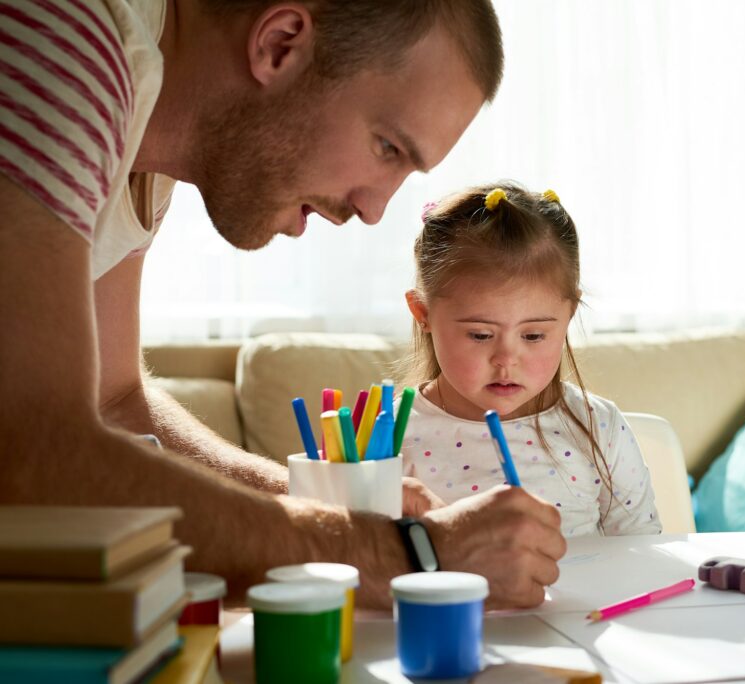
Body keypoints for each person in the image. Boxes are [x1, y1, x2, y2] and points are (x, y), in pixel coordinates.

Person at [0, 0, 565, 609]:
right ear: (279, 44)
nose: (375, 209)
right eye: (387, 147)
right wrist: (407, 552)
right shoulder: (67, 47)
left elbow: (113, 401)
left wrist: (328, 508)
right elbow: (33, 450)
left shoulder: (143, 150)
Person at [400, 183, 662, 537]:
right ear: (423, 312)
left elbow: (641, 553)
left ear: (569, 314)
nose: (506, 359)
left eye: (534, 336)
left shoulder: (598, 427)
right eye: (480, 335)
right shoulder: (390, 435)